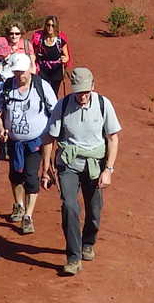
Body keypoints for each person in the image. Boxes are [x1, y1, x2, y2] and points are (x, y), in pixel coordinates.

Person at [44, 65, 121, 277]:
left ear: (93, 87)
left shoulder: (104, 105)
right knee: (70, 207)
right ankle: (73, 257)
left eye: (86, 92)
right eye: (79, 92)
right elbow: (49, 138)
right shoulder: (63, 105)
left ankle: (88, 241)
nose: (83, 96)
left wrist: (109, 170)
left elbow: (113, 138)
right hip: (68, 163)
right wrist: (46, 168)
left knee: (94, 210)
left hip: (95, 165)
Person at [0, 51, 57, 234]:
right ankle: (18, 205)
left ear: (31, 68)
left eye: (23, 71)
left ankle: (28, 215)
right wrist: (1, 129)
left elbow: (54, 112)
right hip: (14, 142)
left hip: (36, 142)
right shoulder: (5, 87)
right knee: (15, 175)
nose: (20, 75)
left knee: (30, 176)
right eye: (16, 72)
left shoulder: (42, 87)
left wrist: (52, 136)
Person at [32, 16, 70, 97]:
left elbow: (67, 56)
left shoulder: (60, 40)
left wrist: (65, 59)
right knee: (42, 91)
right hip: (43, 69)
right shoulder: (40, 39)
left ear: (56, 26)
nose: (50, 28)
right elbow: (34, 54)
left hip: (57, 70)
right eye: (48, 25)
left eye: (53, 25)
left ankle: (54, 109)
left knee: (53, 93)